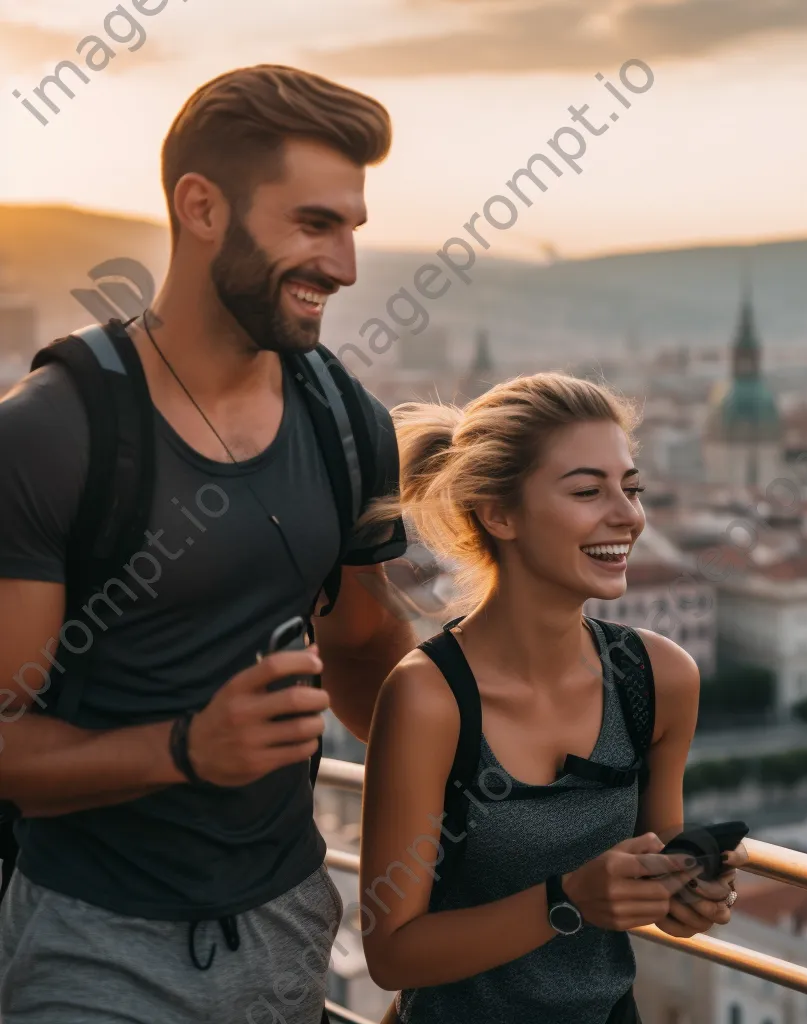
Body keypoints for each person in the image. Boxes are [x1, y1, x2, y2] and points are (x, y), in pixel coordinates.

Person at [0, 65, 417, 1023]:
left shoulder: (346, 421)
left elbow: (363, 643)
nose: (346, 265)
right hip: (94, 944)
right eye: (315, 224)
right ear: (201, 207)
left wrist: (478, 779)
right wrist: (186, 748)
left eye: (353, 226)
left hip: (291, 926)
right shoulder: (51, 435)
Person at [356, 374, 749, 1024]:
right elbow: (391, 953)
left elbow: (653, 865)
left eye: (632, 487)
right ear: (498, 513)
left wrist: (692, 895)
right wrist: (567, 900)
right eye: (589, 491)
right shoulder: (429, 699)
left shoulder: (659, 679)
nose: (628, 515)